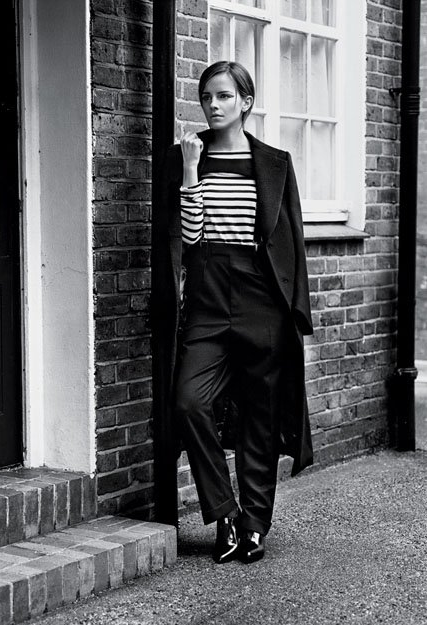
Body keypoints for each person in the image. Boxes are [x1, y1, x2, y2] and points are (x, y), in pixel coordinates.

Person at [150, 61, 313, 565]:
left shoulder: (275, 162)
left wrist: (296, 311)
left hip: (261, 296)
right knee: (188, 401)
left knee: (260, 416)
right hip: (208, 294)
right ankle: (224, 513)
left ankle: (255, 525)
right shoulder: (184, 157)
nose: (213, 105)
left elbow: (292, 240)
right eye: (206, 97)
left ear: (246, 101)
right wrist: (191, 171)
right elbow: (189, 238)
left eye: (223, 96)